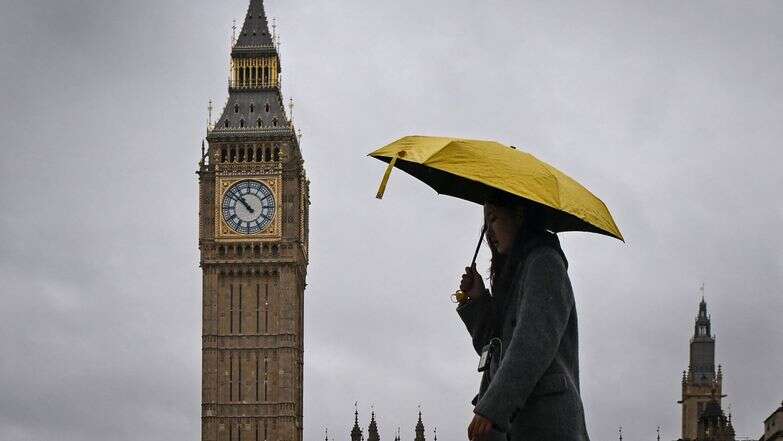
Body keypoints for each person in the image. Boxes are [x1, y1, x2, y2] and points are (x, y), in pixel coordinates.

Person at [457, 195, 590, 441]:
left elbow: (533, 343)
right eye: (485, 224)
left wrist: (492, 408)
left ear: (519, 214)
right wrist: (477, 299)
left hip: (546, 425)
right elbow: (495, 351)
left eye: (494, 219)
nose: (489, 232)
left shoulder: (544, 262)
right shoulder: (514, 276)